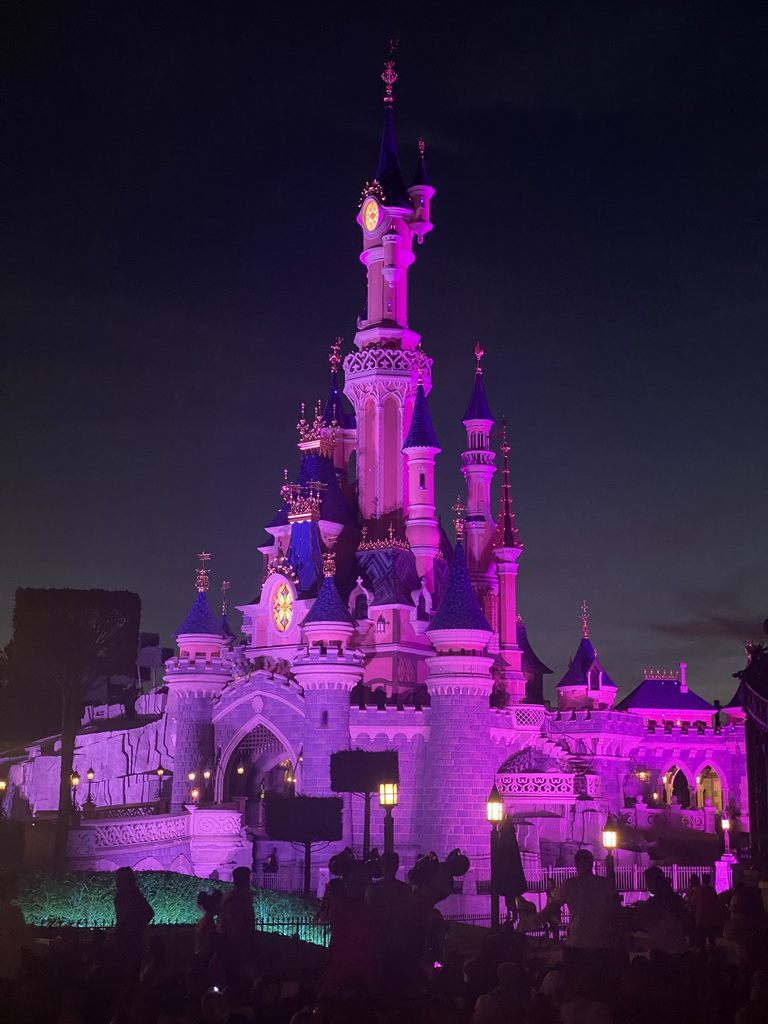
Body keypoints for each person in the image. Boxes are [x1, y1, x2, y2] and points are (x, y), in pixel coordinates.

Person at [551, 850, 621, 959]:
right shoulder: (605, 884)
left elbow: (553, 906)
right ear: (592, 863)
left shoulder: (570, 884)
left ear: (577, 864)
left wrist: (537, 917)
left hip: (577, 940)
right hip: (601, 941)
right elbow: (616, 909)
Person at [113, 866, 154, 979]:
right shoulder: (134, 894)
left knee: (126, 972)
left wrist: (129, 928)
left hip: (126, 939)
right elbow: (148, 913)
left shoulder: (126, 895)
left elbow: (147, 913)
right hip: (132, 938)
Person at [217, 866, 256, 982]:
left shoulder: (234, 897)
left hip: (238, 943)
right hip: (238, 945)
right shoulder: (238, 899)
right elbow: (237, 924)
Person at [687, 873, 726, 955]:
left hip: (700, 919)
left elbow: (692, 903)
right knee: (712, 941)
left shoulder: (698, 891)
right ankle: (713, 958)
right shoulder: (712, 890)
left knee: (702, 941)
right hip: (711, 919)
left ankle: (703, 958)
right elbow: (716, 903)